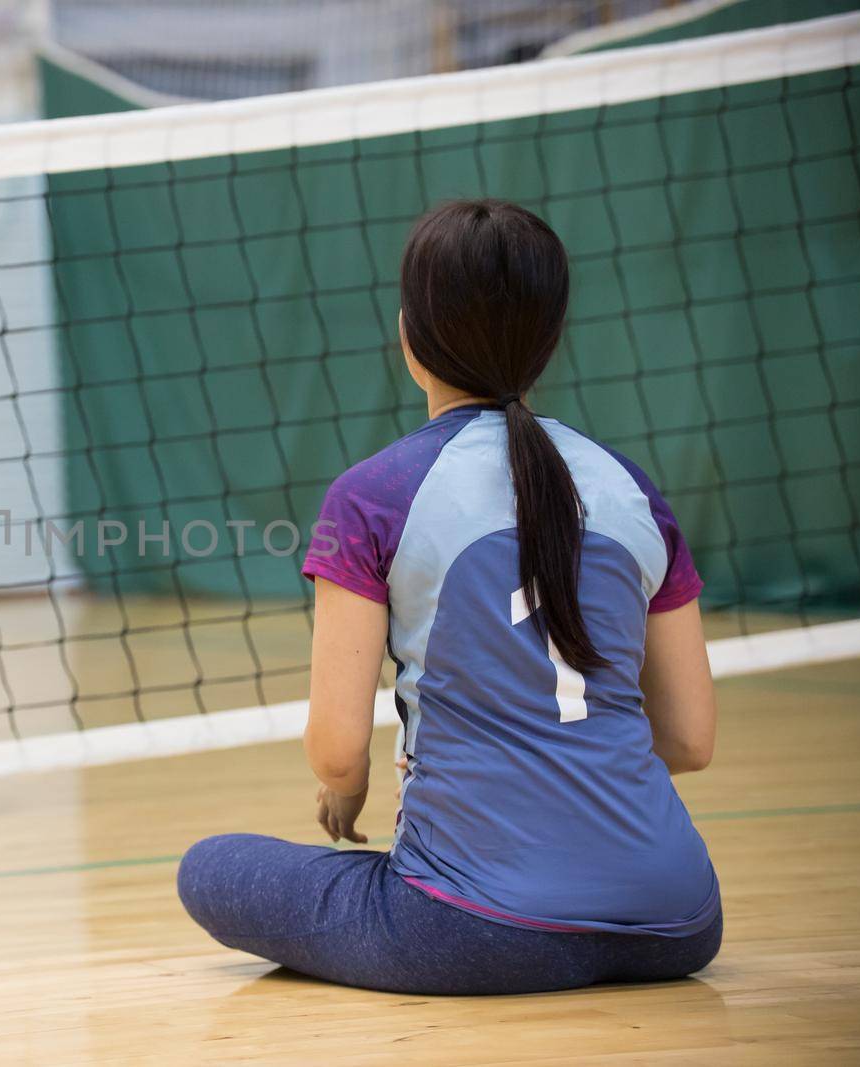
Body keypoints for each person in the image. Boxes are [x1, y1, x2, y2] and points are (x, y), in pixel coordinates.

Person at [177, 199, 722, 995]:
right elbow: (689, 741)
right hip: (678, 920)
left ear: (410, 337)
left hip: (471, 931)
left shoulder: (375, 495)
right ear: (550, 339)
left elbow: (335, 748)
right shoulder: (633, 490)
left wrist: (352, 783)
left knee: (211, 868)